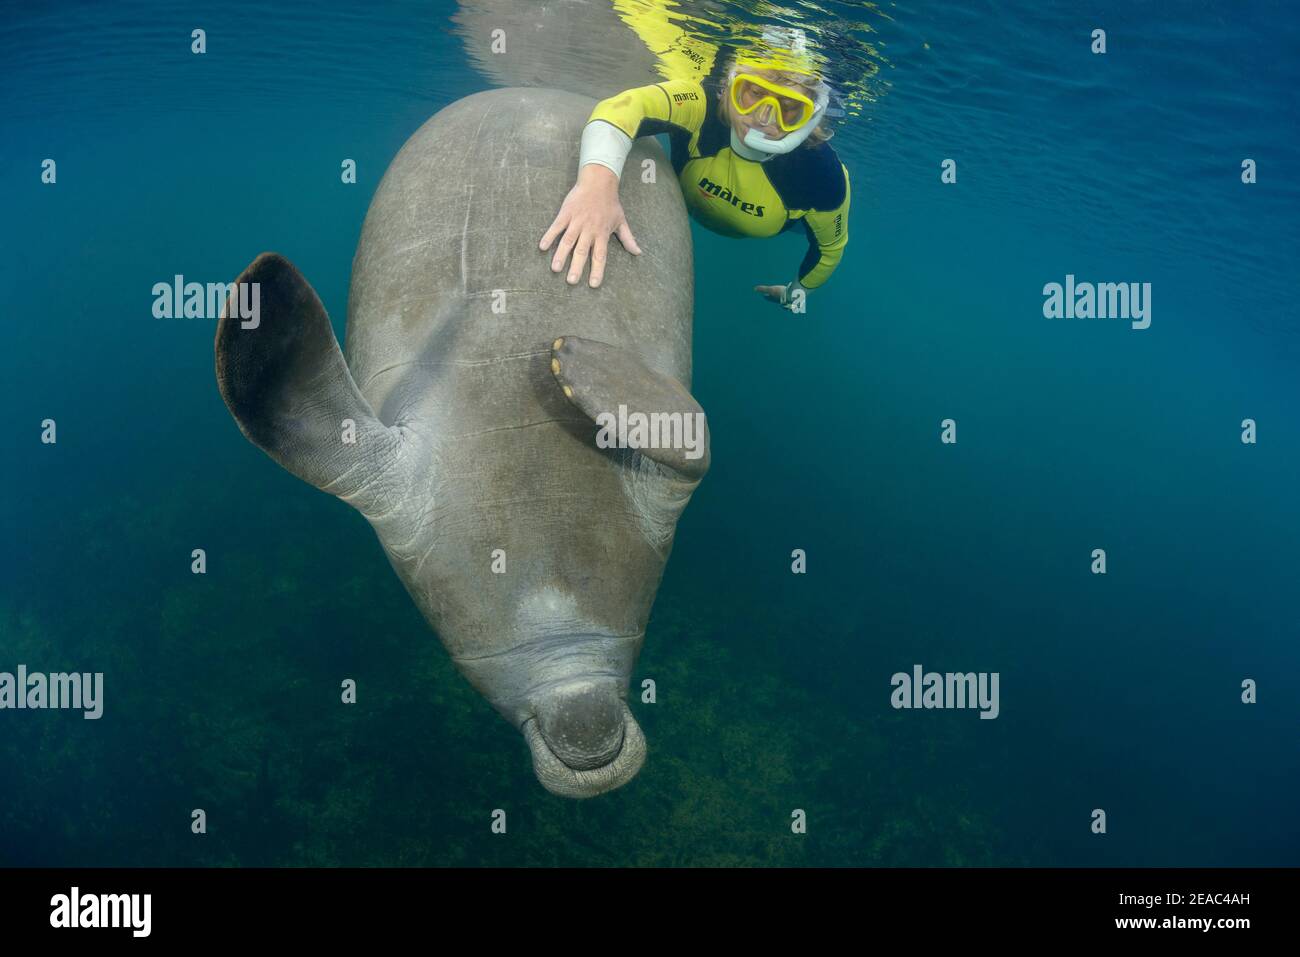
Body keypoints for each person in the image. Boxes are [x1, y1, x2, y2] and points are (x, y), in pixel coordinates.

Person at [540, 26, 851, 310]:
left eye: (789, 108)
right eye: (753, 94)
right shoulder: (699, 105)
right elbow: (621, 108)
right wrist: (596, 188)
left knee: (806, 227)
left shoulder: (822, 175)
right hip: (738, 209)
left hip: (784, 220)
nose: (764, 118)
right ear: (729, 87)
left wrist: (796, 290)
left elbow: (830, 248)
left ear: (811, 118)